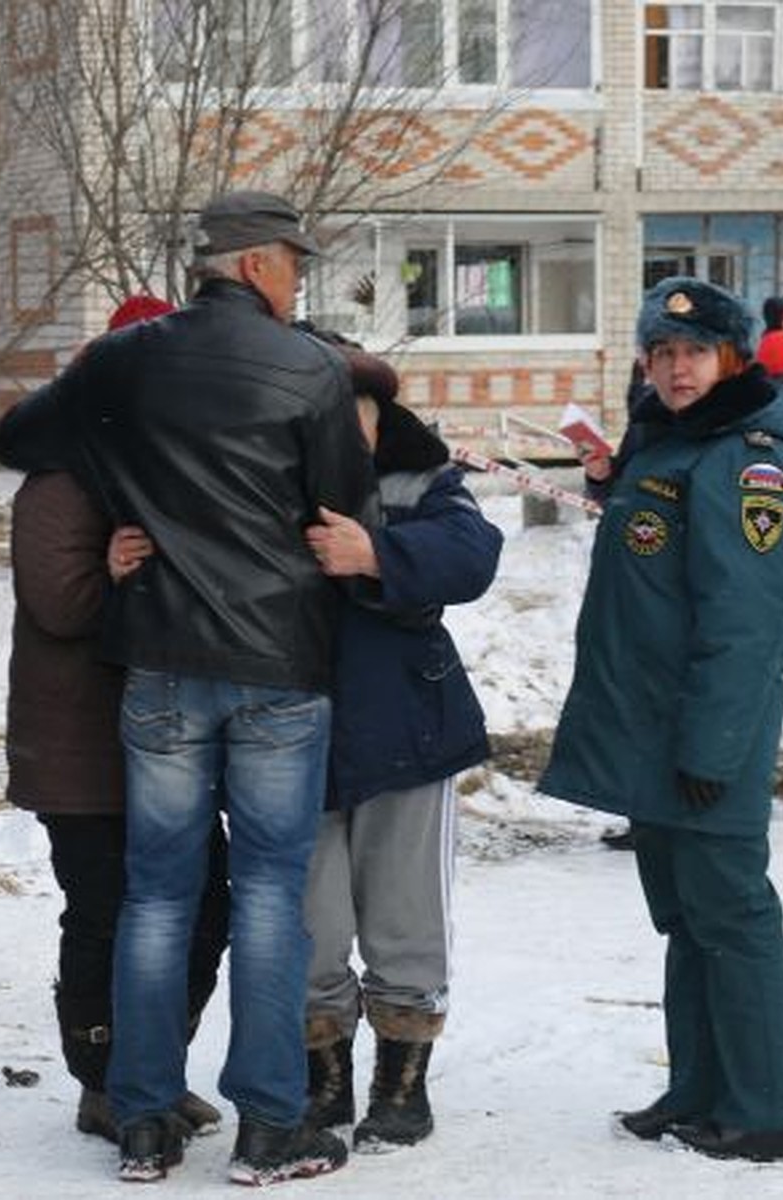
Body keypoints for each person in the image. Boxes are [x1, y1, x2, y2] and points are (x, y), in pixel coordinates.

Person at [0, 190, 376, 1185]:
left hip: (160, 664)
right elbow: (344, 510)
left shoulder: (124, 360)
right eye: (294, 262)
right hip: (278, 672)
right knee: (266, 895)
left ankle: (144, 1119)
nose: (299, 281)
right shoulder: (309, 368)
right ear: (253, 264)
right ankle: (269, 1126)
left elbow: (15, 442)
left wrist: (123, 450)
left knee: (156, 898)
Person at [540, 276, 783, 1164]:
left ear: (731, 357)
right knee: (687, 918)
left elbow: (746, 618)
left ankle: (761, 1107)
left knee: (731, 913)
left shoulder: (751, 454)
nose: (677, 368)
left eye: (694, 352)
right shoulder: (672, 442)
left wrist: (714, 743)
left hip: (706, 734)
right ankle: (700, 1087)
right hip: (657, 729)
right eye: (662, 352)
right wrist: (621, 480)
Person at [3, 295, 229, 1146]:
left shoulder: (159, 466)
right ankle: (103, 1081)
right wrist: (128, 574)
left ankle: (155, 1068)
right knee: (104, 913)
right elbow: (60, 604)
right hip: (81, 749)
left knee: (208, 903)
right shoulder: (65, 473)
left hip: (168, 743)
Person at [300, 344, 502, 1152]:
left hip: (408, 728)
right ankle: (324, 1084)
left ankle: (401, 1082)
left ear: (382, 415)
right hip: (293, 736)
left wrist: (378, 554)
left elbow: (474, 553)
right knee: (306, 926)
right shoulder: (264, 479)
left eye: (357, 412)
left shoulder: (419, 476)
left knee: (405, 920)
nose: (345, 430)